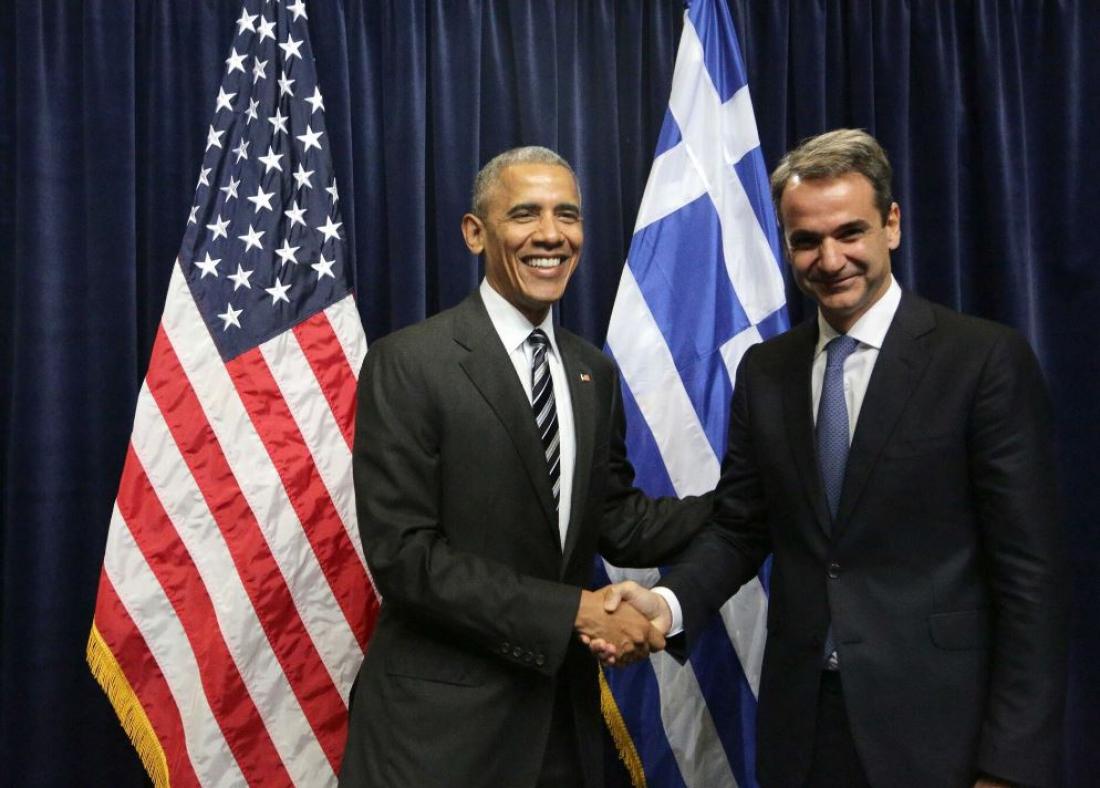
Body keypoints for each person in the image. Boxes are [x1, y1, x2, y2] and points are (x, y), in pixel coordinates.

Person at [598, 129, 1069, 787]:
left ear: (891, 225)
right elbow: (741, 528)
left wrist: (1009, 766)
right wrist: (666, 606)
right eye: (806, 240)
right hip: (803, 728)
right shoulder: (766, 372)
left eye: (850, 233)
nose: (830, 259)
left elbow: (1031, 579)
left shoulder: (983, 361)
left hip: (943, 731)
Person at [338, 146, 711, 787]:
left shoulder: (592, 371)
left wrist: (754, 494)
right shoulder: (410, 363)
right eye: (524, 214)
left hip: (562, 729)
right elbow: (406, 559)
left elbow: (617, 521)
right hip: (438, 739)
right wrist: (573, 612)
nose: (551, 235)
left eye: (567, 215)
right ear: (475, 232)